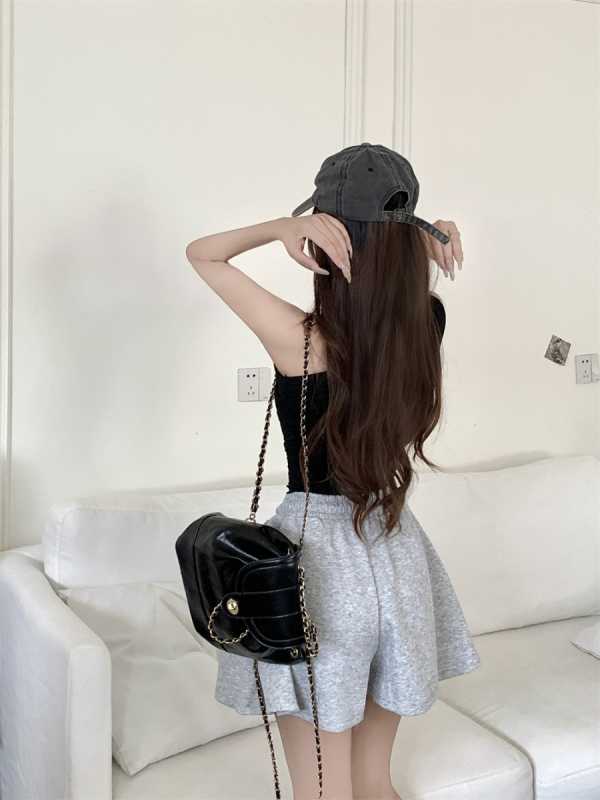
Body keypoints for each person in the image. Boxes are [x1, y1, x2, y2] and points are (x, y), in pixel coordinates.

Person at [185, 143, 481, 800]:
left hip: (314, 571)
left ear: (324, 237)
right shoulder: (425, 321)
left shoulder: (303, 339)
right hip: (394, 552)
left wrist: (278, 228)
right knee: (374, 784)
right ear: (407, 240)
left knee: (323, 793)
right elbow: (393, 275)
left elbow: (202, 254)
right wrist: (430, 233)